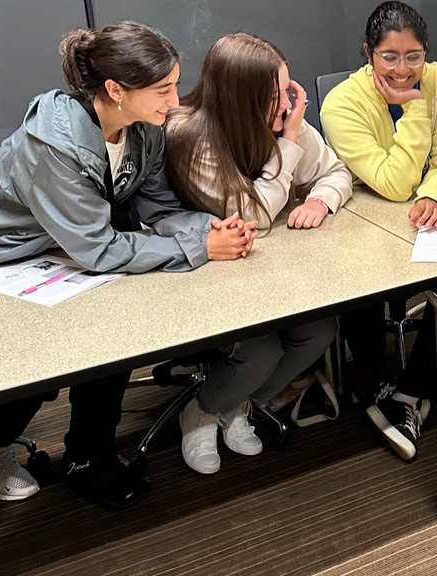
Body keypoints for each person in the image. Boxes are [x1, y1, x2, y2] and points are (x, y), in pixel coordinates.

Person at [0, 21, 257, 509]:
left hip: (62, 245)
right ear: (114, 90)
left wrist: (212, 229)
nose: (174, 102)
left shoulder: (142, 131)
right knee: (40, 347)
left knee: (112, 335)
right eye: (163, 89)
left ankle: (89, 457)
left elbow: (157, 209)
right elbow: (99, 249)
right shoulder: (52, 145)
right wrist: (199, 250)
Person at [164, 32, 350, 474]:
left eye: (288, 90)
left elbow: (336, 172)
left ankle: (240, 405)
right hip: (202, 273)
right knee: (261, 349)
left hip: (265, 269)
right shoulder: (189, 136)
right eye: (273, 97)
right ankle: (202, 412)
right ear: (239, 98)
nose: (287, 105)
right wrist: (287, 144)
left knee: (319, 329)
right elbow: (253, 216)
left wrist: (320, 200)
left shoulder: (284, 120)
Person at [320, 0, 437, 461]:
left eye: (415, 56)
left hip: (424, 220)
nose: (404, 69)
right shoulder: (341, 103)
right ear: (368, 53)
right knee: (361, 274)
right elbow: (390, 184)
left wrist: (435, 196)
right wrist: (413, 110)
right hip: (366, 225)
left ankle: (411, 394)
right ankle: (368, 376)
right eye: (390, 56)